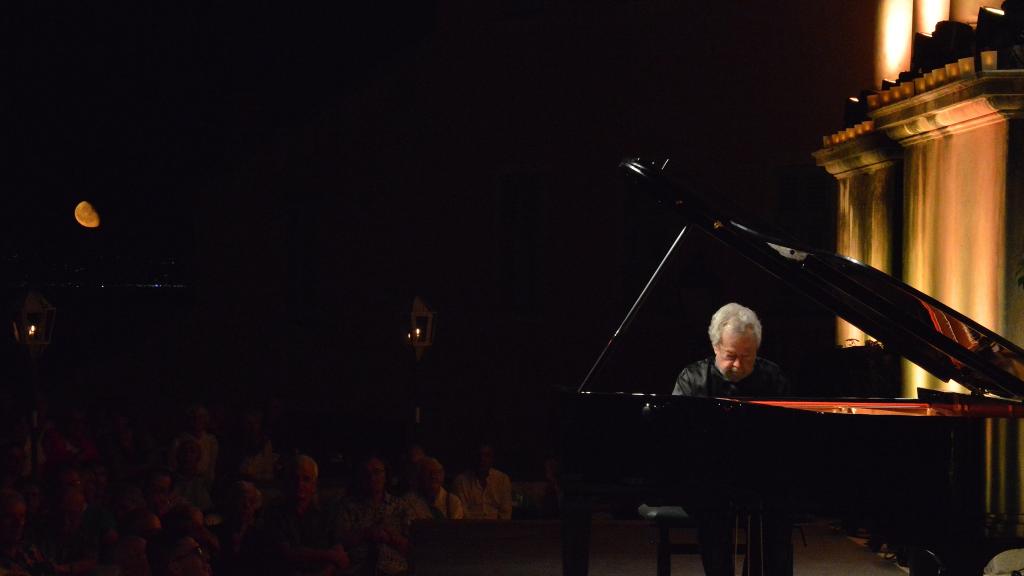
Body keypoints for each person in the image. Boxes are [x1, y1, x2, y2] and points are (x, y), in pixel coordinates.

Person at [672, 302, 792, 576]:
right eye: (730, 355)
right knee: (712, 506)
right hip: (706, 477)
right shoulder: (692, 379)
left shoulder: (773, 378)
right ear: (715, 347)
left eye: (747, 356)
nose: (738, 364)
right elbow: (677, 438)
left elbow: (787, 438)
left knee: (778, 511)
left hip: (763, 477)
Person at [451, 444, 512, 520]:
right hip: (469, 528)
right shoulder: (461, 481)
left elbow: (505, 512)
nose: (482, 459)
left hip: (496, 528)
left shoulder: (502, 479)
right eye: (479, 455)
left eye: (487, 455)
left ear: (492, 459)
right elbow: (462, 512)